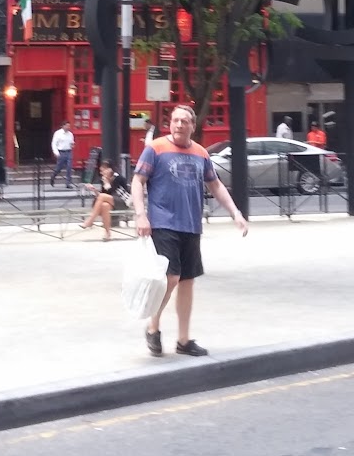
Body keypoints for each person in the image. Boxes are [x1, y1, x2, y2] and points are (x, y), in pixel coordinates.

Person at [132, 104, 248, 359]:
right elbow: (138, 181)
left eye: (185, 121)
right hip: (163, 222)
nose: (179, 125)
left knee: (187, 281)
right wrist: (141, 215)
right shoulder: (155, 149)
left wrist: (235, 213)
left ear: (192, 126)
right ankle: (153, 326)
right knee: (171, 277)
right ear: (169, 123)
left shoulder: (201, 153)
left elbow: (215, 185)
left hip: (191, 224)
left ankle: (183, 340)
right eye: (175, 120)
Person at [79, 158, 131, 240]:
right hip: (112, 202)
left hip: (123, 201)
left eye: (102, 170)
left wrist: (107, 182)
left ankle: (90, 220)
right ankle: (107, 234)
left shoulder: (118, 178)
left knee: (103, 199)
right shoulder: (104, 180)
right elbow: (104, 195)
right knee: (104, 205)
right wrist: (95, 191)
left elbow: (111, 191)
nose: (101, 173)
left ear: (109, 169)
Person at [49, 122, 76, 188]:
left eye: (69, 126)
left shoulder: (70, 134)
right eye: (67, 126)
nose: (68, 127)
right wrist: (56, 152)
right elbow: (54, 143)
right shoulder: (58, 133)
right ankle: (53, 176)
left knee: (69, 167)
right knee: (59, 168)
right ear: (63, 126)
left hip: (69, 151)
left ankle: (68, 183)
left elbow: (72, 142)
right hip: (61, 152)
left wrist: (73, 145)